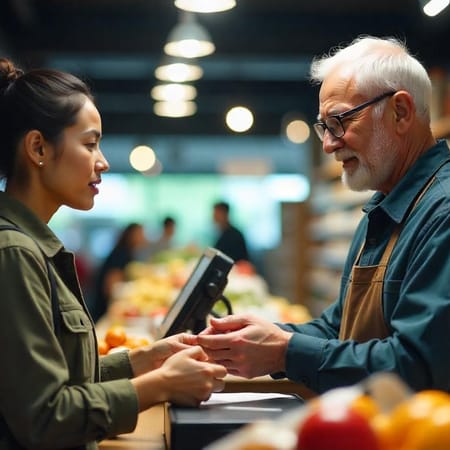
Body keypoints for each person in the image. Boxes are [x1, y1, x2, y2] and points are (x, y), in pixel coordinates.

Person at [188, 36, 450, 395]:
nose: (328, 144)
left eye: (339, 121)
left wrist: (285, 352)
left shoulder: (442, 214)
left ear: (400, 112)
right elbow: (338, 328)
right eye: (324, 126)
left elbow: (418, 366)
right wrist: (266, 336)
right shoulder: (383, 210)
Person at [0, 58, 226, 450]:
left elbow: (61, 377)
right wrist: (162, 384)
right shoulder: (14, 254)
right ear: (38, 147)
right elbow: (46, 417)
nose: (102, 162)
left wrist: (146, 360)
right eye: (90, 144)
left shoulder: (31, 246)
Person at [91, 222, 148, 322]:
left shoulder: (126, 252)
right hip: (102, 310)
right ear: (131, 235)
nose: (144, 237)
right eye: (141, 233)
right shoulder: (121, 254)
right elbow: (111, 286)